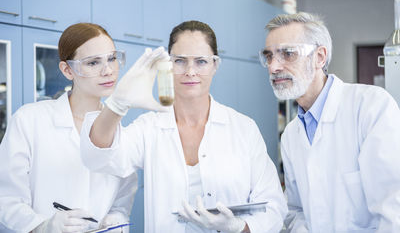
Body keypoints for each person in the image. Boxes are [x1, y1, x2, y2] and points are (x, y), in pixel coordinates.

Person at [80, 20, 288, 233]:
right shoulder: (149, 128)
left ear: (215, 65)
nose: (190, 71)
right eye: (180, 61)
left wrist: (238, 227)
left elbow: (273, 207)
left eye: (201, 61)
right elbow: (98, 158)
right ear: (168, 65)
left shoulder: (243, 128)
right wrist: (116, 104)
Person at [259, 12, 400, 232]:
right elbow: (297, 211)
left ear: (319, 57)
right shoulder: (291, 135)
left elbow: (394, 209)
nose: (273, 67)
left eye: (287, 54)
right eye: (269, 56)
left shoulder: (370, 107)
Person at [0, 23, 138, 233]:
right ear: (67, 70)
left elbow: (121, 200)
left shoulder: (119, 131)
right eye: (93, 62)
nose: (108, 70)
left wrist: (115, 218)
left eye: (112, 58)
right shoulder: (30, 120)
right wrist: (42, 227)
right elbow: (7, 198)